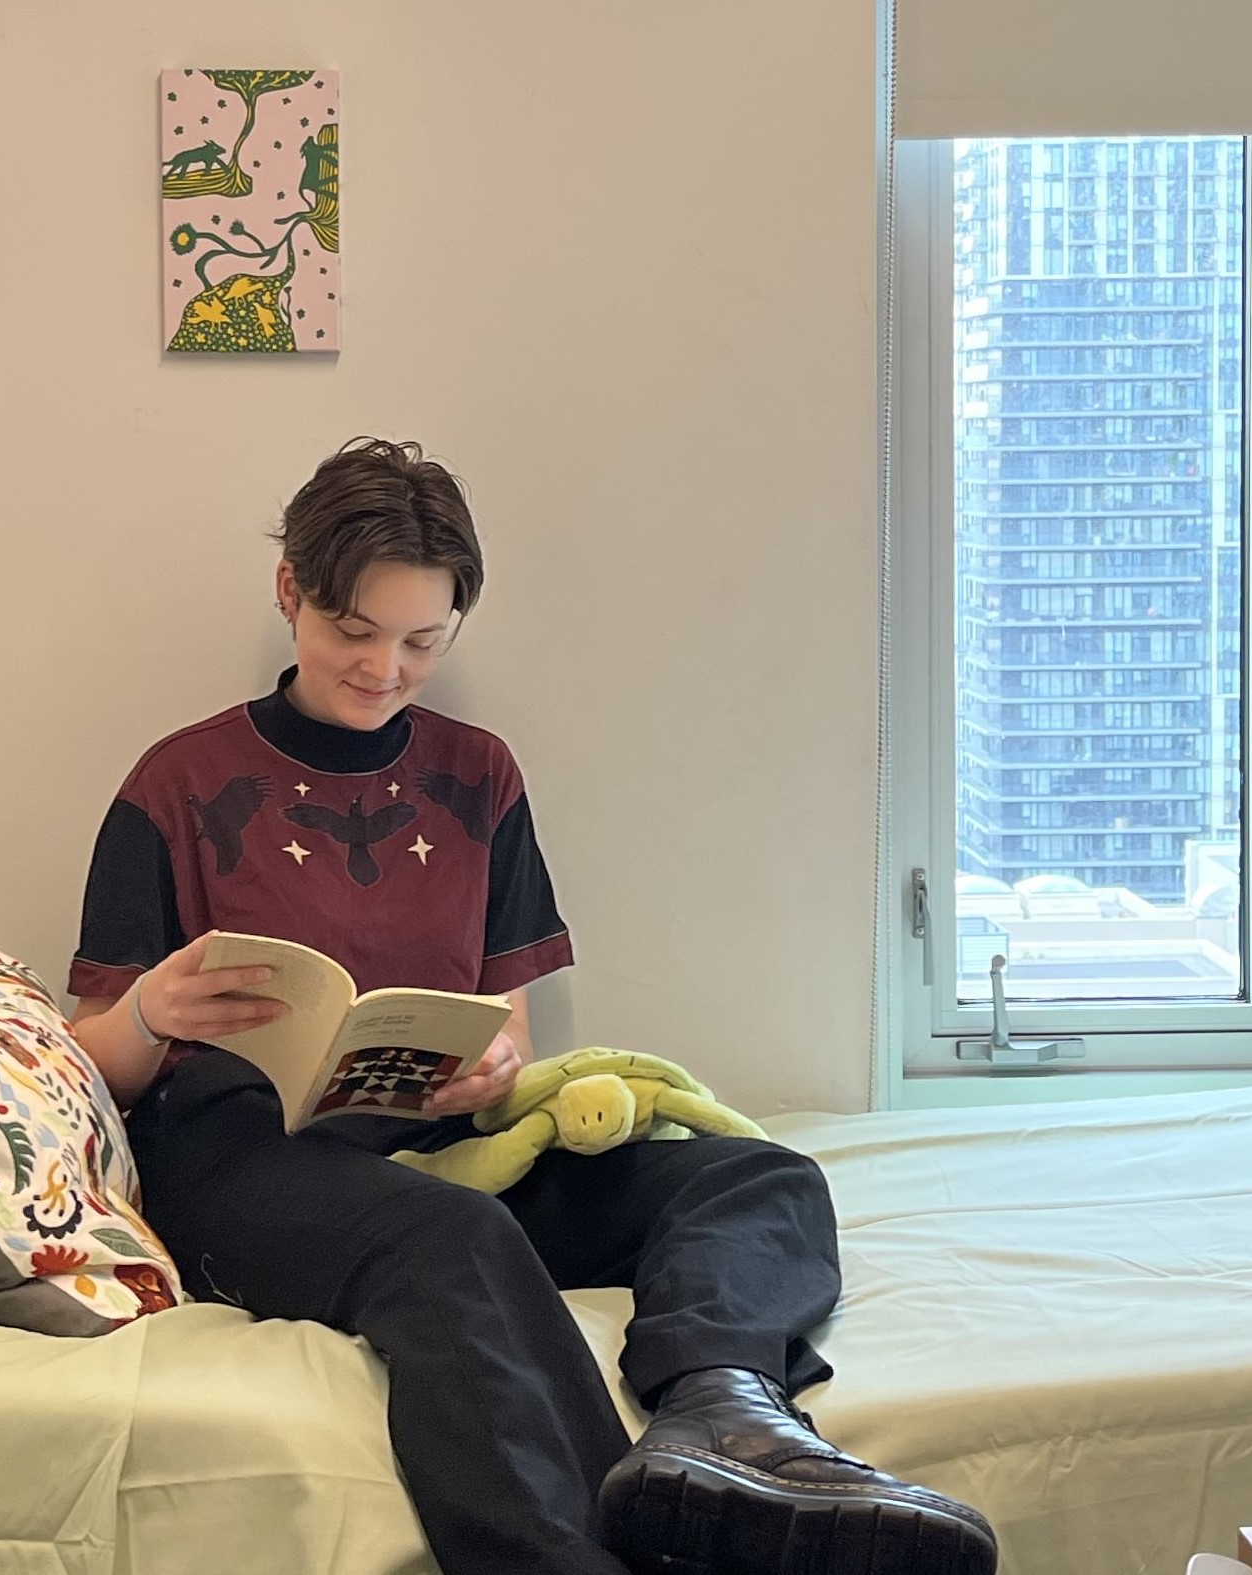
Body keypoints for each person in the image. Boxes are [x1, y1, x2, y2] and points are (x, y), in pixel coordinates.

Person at [66, 439, 996, 1575]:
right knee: (452, 1239)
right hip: (242, 1160)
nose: (385, 669)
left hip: (438, 1134)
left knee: (763, 1176)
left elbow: (502, 1013)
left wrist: (495, 1065)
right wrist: (155, 1011)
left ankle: (721, 1412)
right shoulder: (179, 781)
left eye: (423, 641)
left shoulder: (478, 774)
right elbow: (93, 1061)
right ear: (290, 592)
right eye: (355, 633)